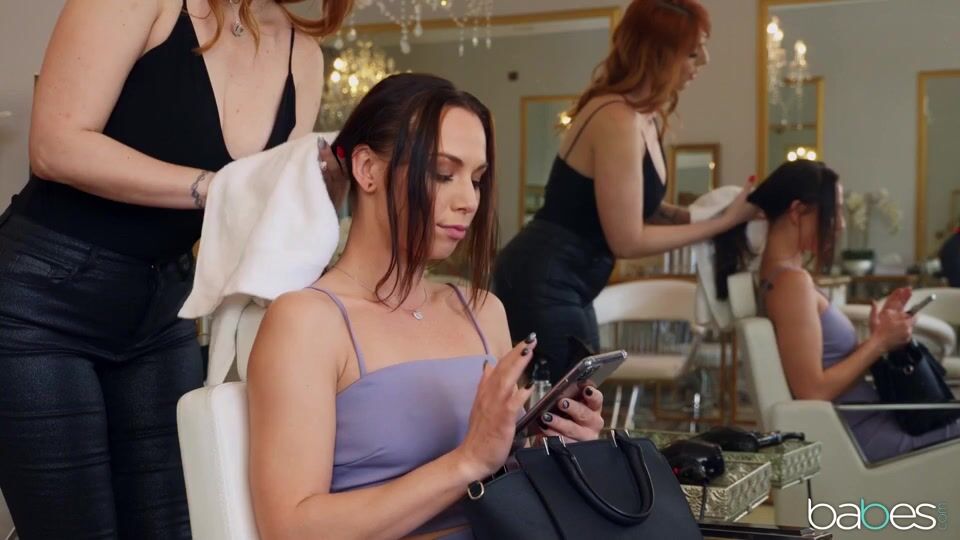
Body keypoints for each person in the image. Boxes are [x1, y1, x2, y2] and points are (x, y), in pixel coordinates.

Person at [0, 0, 351, 537]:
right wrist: (218, 189)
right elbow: (55, 144)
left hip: (163, 310)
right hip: (41, 303)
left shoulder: (302, 56)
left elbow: (270, 216)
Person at [246, 73, 605, 540]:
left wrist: (548, 446)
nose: (469, 200)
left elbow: (503, 482)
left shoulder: (483, 311)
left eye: (476, 179)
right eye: (442, 173)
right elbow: (289, 529)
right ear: (367, 169)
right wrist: (467, 461)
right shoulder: (307, 321)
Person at [492, 0, 757, 382]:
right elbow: (628, 239)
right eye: (693, 52)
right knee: (568, 402)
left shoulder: (640, 116)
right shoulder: (615, 117)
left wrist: (703, 215)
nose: (704, 61)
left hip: (569, 280)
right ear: (659, 54)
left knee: (583, 396)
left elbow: (640, 204)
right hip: (544, 277)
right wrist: (723, 224)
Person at [714, 159, 960, 463]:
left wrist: (880, 335)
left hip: (873, 424)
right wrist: (879, 342)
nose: (841, 223)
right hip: (866, 436)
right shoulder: (790, 284)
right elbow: (812, 390)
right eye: (835, 211)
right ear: (797, 211)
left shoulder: (782, 277)